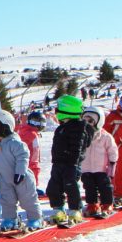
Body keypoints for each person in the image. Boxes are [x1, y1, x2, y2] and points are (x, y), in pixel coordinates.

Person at [0, 109, 45, 232]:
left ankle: (36, 218)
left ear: (5, 126)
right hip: (5, 179)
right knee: (7, 201)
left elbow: (23, 157)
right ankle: (10, 219)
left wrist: (20, 172)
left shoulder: (14, 143)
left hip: (22, 178)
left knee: (28, 200)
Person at [46, 95, 94, 224]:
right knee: (53, 187)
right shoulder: (62, 127)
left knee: (70, 186)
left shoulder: (78, 128)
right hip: (58, 162)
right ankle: (58, 210)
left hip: (71, 164)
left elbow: (77, 146)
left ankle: (75, 210)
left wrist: (73, 161)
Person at [80, 106, 118, 217]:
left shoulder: (105, 136)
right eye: (85, 120)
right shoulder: (82, 135)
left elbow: (113, 151)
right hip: (86, 168)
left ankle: (107, 204)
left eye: (90, 121)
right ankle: (92, 204)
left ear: (98, 122)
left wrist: (112, 164)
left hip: (101, 169)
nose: (87, 123)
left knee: (105, 187)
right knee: (89, 187)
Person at [16, 110, 45, 186]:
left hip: (30, 161)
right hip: (30, 162)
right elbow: (21, 145)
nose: (41, 125)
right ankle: (31, 188)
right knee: (32, 173)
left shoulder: (29, 131)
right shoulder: (30, 133)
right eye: (39, 122)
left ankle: (32, 187)